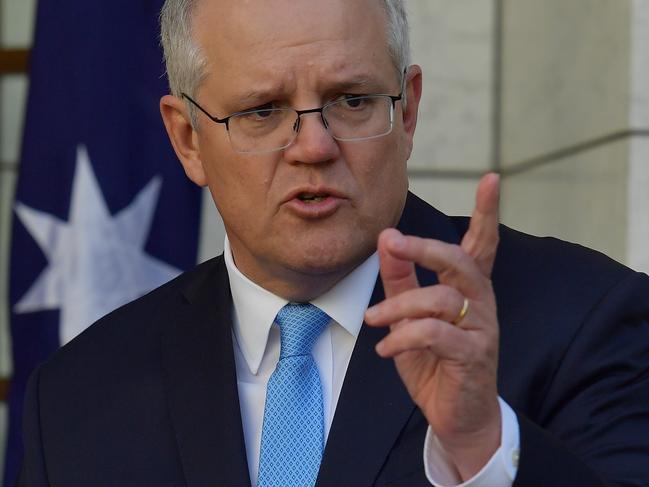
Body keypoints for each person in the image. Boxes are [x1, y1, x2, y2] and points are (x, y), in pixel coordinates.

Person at [17, 0, 649, 486]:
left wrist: (483, 444)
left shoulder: (587, 319)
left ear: (408, 113)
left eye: (352, 100)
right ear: (187, 139)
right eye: (262, 111)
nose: (314, 146)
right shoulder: (77, 397)